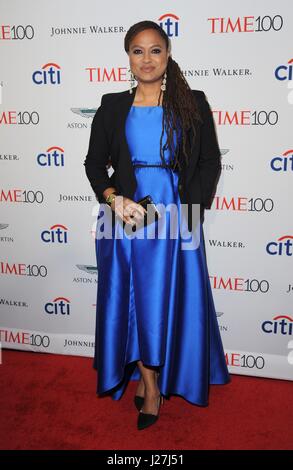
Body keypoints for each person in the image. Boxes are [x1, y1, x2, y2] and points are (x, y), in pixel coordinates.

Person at [84, 20, 230, 431]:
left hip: (175, 215)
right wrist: (115, 200)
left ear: (167, 55)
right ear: (127, 57)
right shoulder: (113, 105)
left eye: (155, 50)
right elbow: (95, 165)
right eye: (137, 50)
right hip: (126, 217)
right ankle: (149, 383)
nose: (146, 59)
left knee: (168, 300)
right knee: (134, 301)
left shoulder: (192, 102)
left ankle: (163, 376)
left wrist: (191, 213)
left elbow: (209, 162)